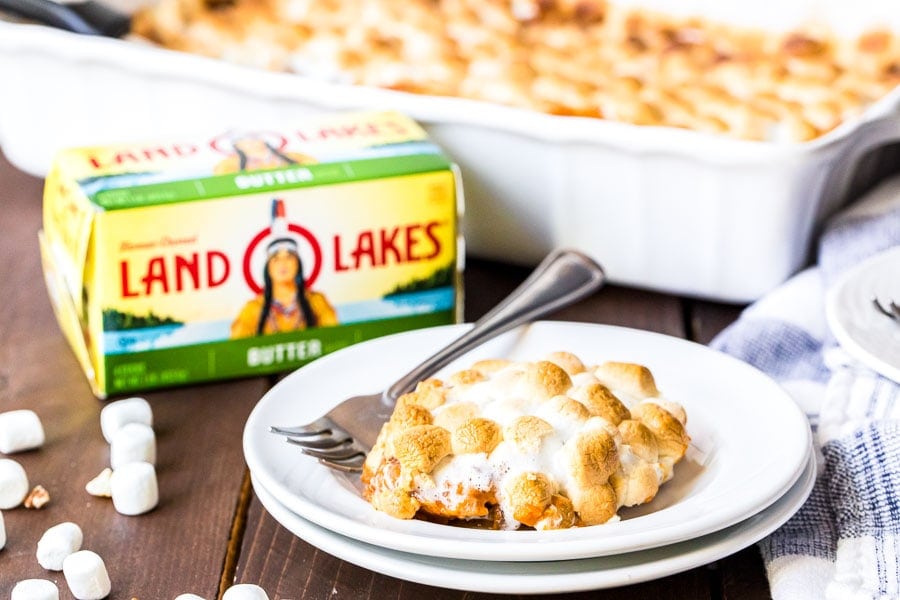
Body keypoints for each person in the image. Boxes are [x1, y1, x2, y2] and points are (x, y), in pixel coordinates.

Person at [231, 200, 337, 338]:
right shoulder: (253, 308)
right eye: (276, 259)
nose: (283, 264)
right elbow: (237, 346)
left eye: (289, 257)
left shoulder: (316, 301)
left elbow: (334, 337)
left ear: (298, 264)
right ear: (267, 268)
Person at [214, 135, 315, 174]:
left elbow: (313, 166)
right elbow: (223, 179)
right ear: (237, 146)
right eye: (242, 140)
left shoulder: (293, 155)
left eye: (254, 138)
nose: (250, 142)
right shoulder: (228, 164)